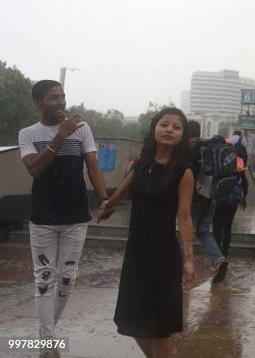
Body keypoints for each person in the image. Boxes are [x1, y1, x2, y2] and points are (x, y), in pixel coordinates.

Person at [98, 108, 196, 358]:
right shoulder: (141, 165)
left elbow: (184, 216)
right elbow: (123, 189)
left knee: (159, 326)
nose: (169, 130)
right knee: (133, 318)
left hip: (163, 255)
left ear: (182, 136)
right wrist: (108, 206)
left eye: (176, 127)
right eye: (164, 124)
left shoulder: (183, 172)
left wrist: (189, 259)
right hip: (136, 254)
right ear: (154, 129)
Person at [18, 80, 110, 347]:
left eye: (62, 96)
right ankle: (48, 340)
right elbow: (34, 169)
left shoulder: (82, 130)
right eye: (53, 97)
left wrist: (104, 198)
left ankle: (47, 330)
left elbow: (93, 167)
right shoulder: (28, 134)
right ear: (38, 101)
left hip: (76, 216)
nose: (60, 102)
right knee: (45, 278)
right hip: (43, 217)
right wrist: (60, 136)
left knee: (68, 279)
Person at [187, 121, 228, 283]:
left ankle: (181, 264)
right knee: (203, 230)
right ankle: (218, 259)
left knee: (183, 230)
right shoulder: (209, 146)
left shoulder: (190, 148)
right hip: (212, 194)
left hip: (195, 195)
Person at [211, 135, 248, 257]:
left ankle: (217, 255)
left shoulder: (214, 156)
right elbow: (242, 178)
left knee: (216, 224)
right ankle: (225, 252)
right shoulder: (239, 160)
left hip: (217, 194)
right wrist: (243, 195)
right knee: (227, 224)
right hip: (233, 194)